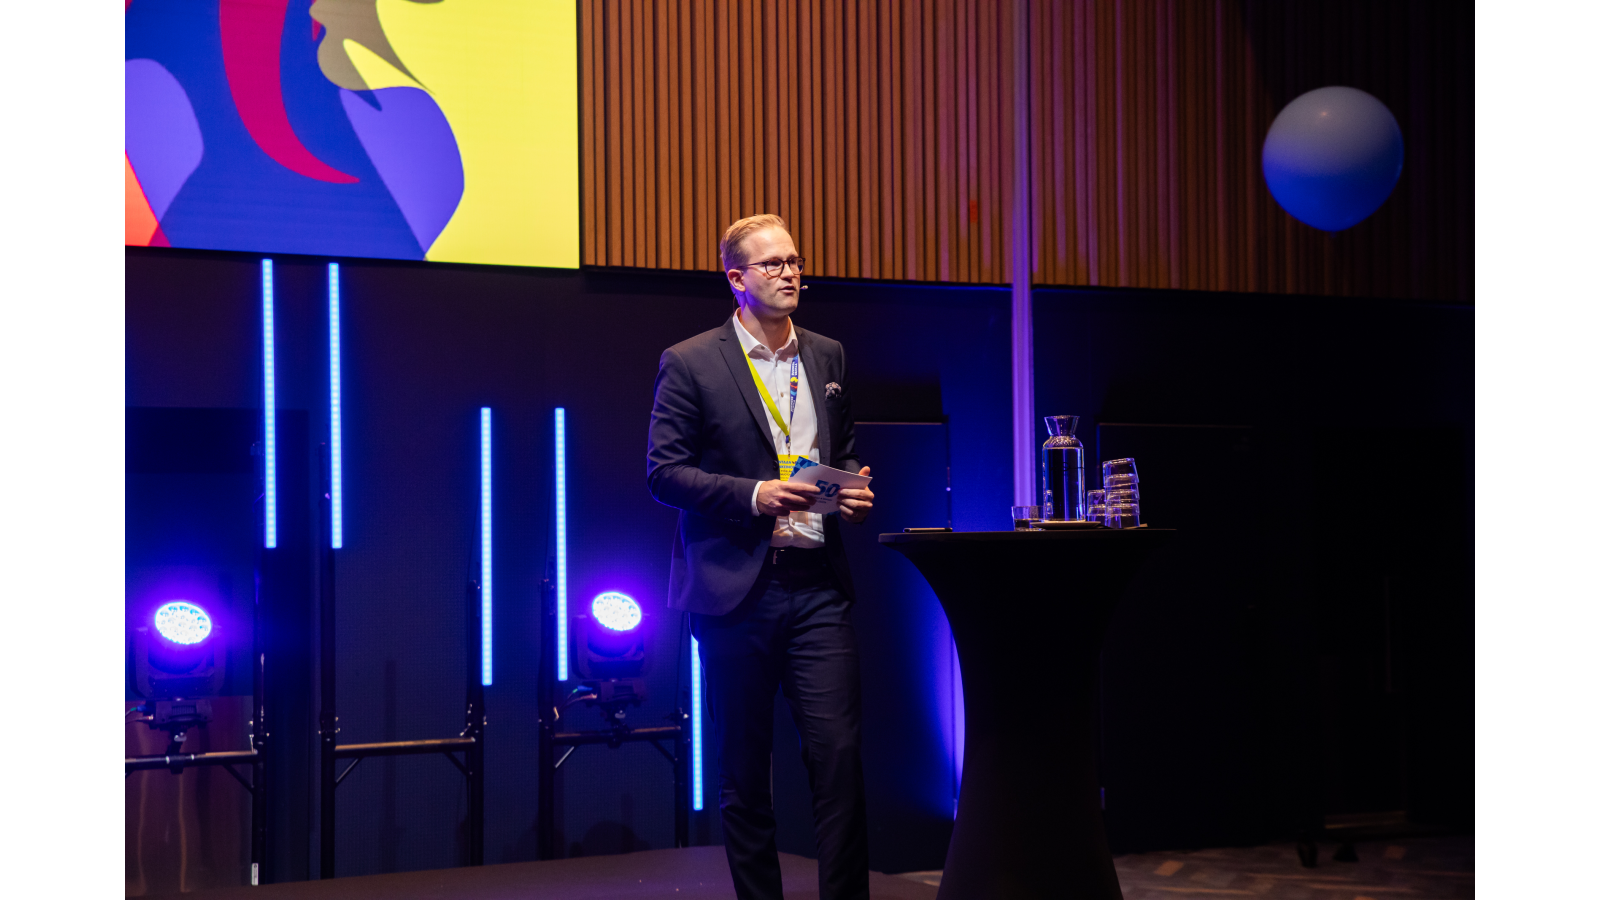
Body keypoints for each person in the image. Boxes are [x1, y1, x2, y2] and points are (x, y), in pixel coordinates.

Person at [647, 214, 875, 900]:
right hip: (735, 592)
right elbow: (664, 473)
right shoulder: (691, 360)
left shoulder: (827, 355)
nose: (789, 273)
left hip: (817, 586)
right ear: (736, 279)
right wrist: (755, 494)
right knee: (746, 772)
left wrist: (853, 485)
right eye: (772, 264)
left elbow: (843, 450)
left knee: (839, 760)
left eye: (795, 261)